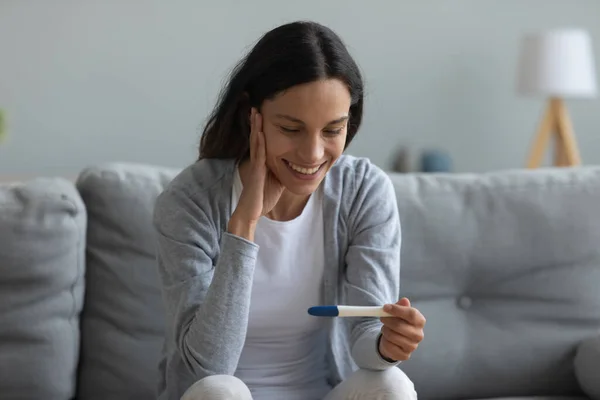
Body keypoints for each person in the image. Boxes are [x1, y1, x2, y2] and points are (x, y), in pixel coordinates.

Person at [153, 20, 426, 400]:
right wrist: (244, 225)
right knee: (218, 391)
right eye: (292, 129)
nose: (313, 155)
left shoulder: (363, 190)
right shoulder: (189, 201)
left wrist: (388, 344)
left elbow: (366, 336)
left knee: (391, 384)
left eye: (332, 130)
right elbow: (206, 369)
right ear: (253, 115)